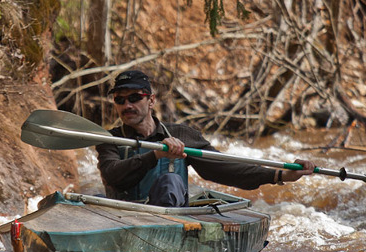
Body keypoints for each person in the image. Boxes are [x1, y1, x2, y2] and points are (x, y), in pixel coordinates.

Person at [96, 70, 316, 206]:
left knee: (170, 182)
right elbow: (113, 175)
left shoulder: (182, 135)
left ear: (151, 100)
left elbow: (225, 168)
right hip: (124, 216)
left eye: (134, 98)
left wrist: (281, 175)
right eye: (120, 100)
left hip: (170, 219)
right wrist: (155, 155)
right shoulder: (110, 140)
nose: (127, 105)